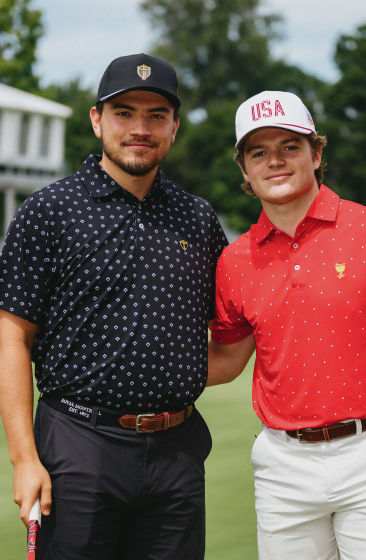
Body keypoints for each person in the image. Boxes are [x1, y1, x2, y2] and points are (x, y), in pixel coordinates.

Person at [0, 52, 227, 560]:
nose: (139, 128)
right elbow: (10, 337)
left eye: (156, 115)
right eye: (124, 112)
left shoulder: (197, 219)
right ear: (97, 119)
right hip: (79, 444)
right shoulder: (49, 212)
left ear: (174, 127)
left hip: (179, 449)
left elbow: (229, 328)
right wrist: (23, 460)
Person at [208, 90, 366, 559]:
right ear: (244, 168)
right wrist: (129, 364)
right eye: (258, 152)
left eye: (289, 146)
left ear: (316, 153)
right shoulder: (235, 260)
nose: (275, 161)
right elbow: (224, 361)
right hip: (282, 465)